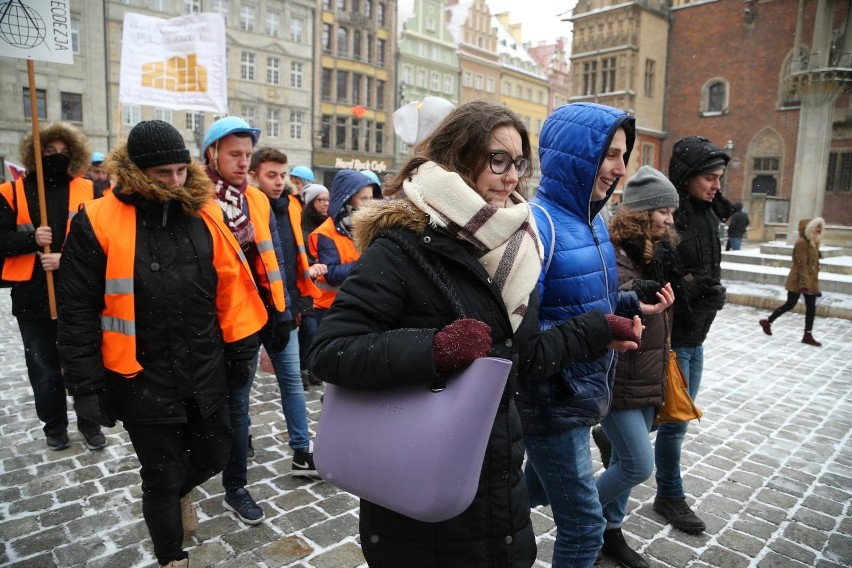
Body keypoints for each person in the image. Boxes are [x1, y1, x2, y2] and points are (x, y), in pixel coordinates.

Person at [307, 100, 641, 568]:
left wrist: (596, 330)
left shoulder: (518, 245)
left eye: (519, 162)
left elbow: (524, 356)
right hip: (418, 486)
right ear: (458, 157)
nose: (511, 177)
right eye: (497, 160)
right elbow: (331, 351)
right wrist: (435, 349)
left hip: (496, 483)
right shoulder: (401, 245)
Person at [56, 119, 266, 568]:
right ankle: (172, 556)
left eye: (179, 171)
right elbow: (76, 311)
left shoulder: (204, 213)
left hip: (204, 367)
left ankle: (179, 491)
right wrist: (86, 387)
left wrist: (240, 352)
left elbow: (230, 286)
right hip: (138, 374)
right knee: (160, 474)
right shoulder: (96, 220)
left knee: (216, 452)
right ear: (136, 171)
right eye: (161, 174)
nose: (174, 182)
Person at [515, 102, 669, 568]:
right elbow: (523, 337)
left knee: (529, 493)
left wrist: (627, 305)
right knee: (584, 527)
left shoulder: (594, 222)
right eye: (610, 156)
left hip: (583, 395)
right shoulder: (538, 225)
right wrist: (603, 331)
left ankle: (486, 529)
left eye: (624, 156)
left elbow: (584, 303)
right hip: (552, 401)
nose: (621, 169)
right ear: (577, 157)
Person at [202, 116, 296, 525]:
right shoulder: (195, 200)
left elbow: (273, 258)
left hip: (252, 320)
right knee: (207, 408)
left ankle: (235, 485)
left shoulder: (256, 200)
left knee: (239, 409)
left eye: (246, 154)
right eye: (233, 154)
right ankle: (187, 476)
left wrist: (281, 312)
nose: (242, 162)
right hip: (209, 324)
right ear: (213, 155)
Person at [595, 166, 684, 568]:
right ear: (643, 212)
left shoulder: (661, 253)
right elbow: (611, 296)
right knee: (636, 464)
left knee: (623, 462)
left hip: (648, 371)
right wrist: (638, 294)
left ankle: (609, 534)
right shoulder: (617, 248)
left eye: (672, 212)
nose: (669, 219)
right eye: (663, 211)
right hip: (620, 374)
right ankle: (580, 513)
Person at [0, 122, 103, 452]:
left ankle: (90, 422)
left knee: (84, 362)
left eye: (63, 152)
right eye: (49, 152)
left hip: (78, 295)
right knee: (43, 366)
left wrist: (64, 258)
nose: (57, 157)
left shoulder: (88, 189)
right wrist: (31, 240)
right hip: (32, 297)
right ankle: (54, 425)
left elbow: (103, 240)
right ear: (35, 154)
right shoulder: (10, 191)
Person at [657, 135, 735, 534]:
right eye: (709, 177)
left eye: (719, 177)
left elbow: (707, 266)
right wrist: (693, 285)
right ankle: (669, 494)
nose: (716, 185)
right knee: (676, 421)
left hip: (698, 334)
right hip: (674, 336)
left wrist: (712, 291)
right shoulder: (673, 215)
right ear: (687, 177)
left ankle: (615, 438)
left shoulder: (707, 213)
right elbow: (658, 272)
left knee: (669, 414)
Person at [247, 147, 322, 471]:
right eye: (271, 175)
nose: (278, 182)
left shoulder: (292, 207)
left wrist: (301, 296)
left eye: (282, 175)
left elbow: (294, 258)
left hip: (285, 311)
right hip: (249, 315)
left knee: (292, 381)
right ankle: (241, 436)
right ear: (254, 176)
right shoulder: (242, 208)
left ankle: (301, 450)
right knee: (242, 388)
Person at [307, 169, 375, 323]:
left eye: (371, 198)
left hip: (359, 305)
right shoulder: (325, 232)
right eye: (364, 199)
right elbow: (332, 274)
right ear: (347, 199)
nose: (369, 204)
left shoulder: (368, 227)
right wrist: (368, 260)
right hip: (330, 309)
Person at [759, 217, 825, 346]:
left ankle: (807, 334)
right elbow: (801, 265)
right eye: (815, 227)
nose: (818, 230)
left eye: (819, 227)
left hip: (810, 281)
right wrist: (805, 284)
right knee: (790, 304)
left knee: (811, 308)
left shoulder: (813, 242)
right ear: (808, 229)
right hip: (798, 281)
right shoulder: (801, 243)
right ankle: (768, 322)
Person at [298, 182, 330, 386]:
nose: (325, 204)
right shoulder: (301, 226)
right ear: (311, 202)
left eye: (327, 199)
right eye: (320, 200)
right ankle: (303, 368)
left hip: (322, 291)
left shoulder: (329, 224)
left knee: (317, 332)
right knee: (309, 330)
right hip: (305, 288)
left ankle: (312, 369)